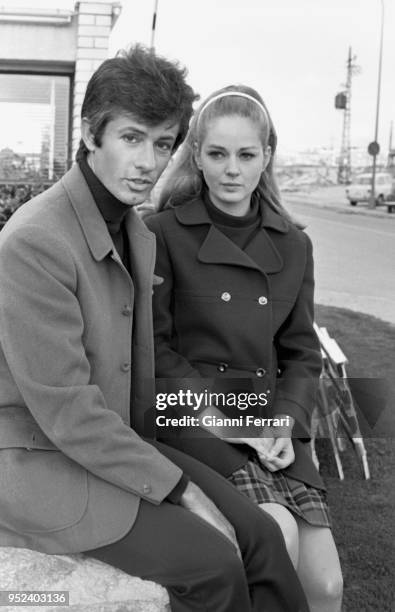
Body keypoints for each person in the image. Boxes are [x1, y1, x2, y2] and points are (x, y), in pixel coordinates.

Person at [0, 47, 310, 612]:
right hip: (46, 463)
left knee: (263, 538)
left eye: (163, 143)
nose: (148, 160)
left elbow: (141, 374)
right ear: (92, 135)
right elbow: (68, 413)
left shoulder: (135, 231)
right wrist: (182, 488)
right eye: (132, 137)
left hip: (122, 444)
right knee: (215, 562)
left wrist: (213, 437)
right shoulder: (35, 241)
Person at [145, 85, 343, 612]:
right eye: (217, 153)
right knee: (277, 537)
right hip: (194, 419)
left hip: (272, 424)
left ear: (267, 157)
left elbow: (301, 354)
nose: (232, 169)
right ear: (198, 156)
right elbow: (156, 349)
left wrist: (283, 420)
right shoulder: (160, 232)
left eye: (246, 154)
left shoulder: (295, 244)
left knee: (326, 586)